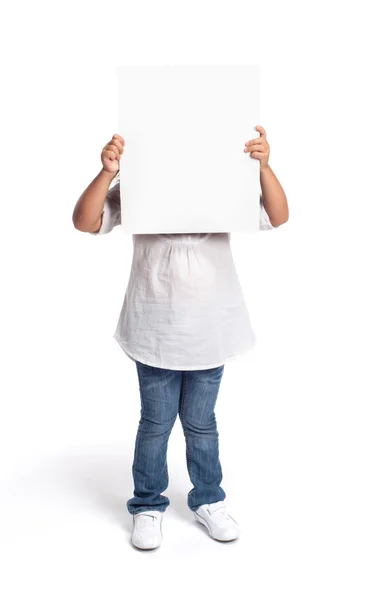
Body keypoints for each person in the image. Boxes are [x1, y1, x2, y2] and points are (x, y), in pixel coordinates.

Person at [72, 126, 289, 550]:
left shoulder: (223, 189)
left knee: (201, 423)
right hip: (154, 329)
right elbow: (85, 221)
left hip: (209, 331)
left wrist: (263, 166)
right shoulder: (139, 188)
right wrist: (107, 173)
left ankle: (208, 498)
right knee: (155, 423)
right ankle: (147, 504)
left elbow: (277, 215)